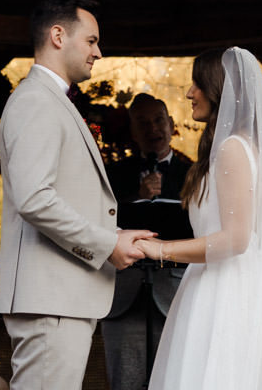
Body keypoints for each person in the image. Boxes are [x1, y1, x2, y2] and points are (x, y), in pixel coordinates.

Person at [135, 47, 262, 390]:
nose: (189, 93)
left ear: (219, 89)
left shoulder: (233, 149)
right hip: (212, 285)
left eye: (197, 84)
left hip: (232, 295)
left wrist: (161, 250)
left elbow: (235, 239)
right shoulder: (230, 147)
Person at [0, 0, 155, 390]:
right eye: (92, 41)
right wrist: (106, 244)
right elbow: (35, 198)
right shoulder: (36, 101)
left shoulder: (51, 101)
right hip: (51, 299)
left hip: (60, 297)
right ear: (58, 35)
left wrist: (113, 237)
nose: (98, 52)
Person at [102, 95, 195, 390]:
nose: (152, 128)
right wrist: (136, 197)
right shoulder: (112, 174)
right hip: (123, 296)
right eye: (142, 123)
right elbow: (95, 222)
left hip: (178, 294)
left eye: (158, 120)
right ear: (132, 131)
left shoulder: (193, 173)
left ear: (171, 125)